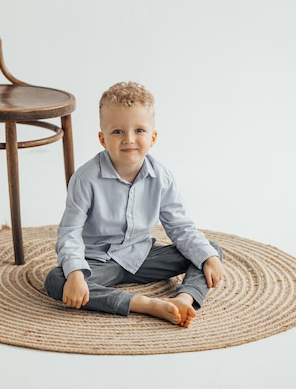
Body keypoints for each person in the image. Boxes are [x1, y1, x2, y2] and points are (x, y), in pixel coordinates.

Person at [44, 81, 224, 328]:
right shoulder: (85, 178)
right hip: (98, 261)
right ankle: (145, 304)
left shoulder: (162, 177)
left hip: (142, 256)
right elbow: (69, 233)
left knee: (209, 251)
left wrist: (207, 258)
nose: (129, 139)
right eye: (117, 131)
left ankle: (184, 298)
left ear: (153, 137)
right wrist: (75, 274)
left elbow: (181, 228)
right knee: (56, 280)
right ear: (102, 139)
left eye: (139, 130)